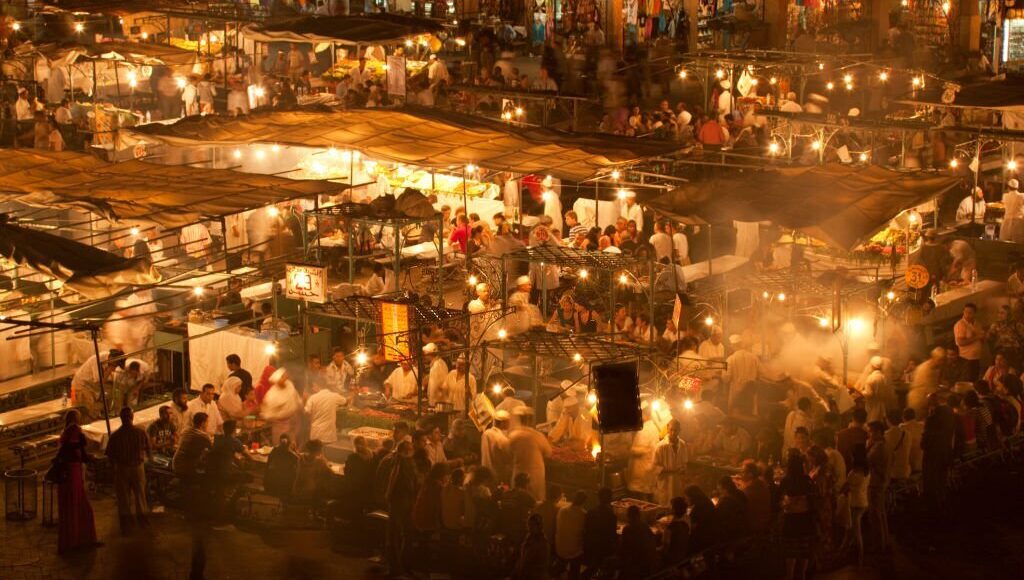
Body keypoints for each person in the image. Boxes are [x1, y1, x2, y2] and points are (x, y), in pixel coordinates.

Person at [55, 410, 99, 554]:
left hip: (70, 471)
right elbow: (74, 448)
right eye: (79, 417)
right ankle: (79, 539)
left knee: (73, 505)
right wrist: (82, 444)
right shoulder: (74, 430)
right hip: (73, 471)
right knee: (77, 504)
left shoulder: (66, 431)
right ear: (75, 418)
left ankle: (75, 539)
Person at [105, 407, 151, 534]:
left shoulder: (115, 436)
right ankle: (143, 521)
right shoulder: (141, 432)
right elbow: (149, 449)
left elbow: (109, 455)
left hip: (122, 469)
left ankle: (126, 525)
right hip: (138, 468)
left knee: (123, 498)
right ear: (132, 417)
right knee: (140, 495)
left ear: (121, 418)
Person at [779, 450, 816, 580]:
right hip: (805, 518)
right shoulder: (807, 480)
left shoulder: (786, 481)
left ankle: (790, 575)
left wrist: (787, 503)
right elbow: (813, 497)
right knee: (803, 548)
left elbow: (778, 499)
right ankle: (803, 574)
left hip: (791, 518)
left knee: (790, 550)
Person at [385, 440, 418, 577]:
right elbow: (394, 478)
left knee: (401, 534)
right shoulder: (400, 462)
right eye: (408, 449)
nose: (410, 451)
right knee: (396, 534)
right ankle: (396, 567)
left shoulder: (407, 462)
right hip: (399, 501)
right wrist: (388, 495)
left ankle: (400, 565)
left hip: (406, 501)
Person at [509, 408, 552, 501]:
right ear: (531, 420)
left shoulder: (513, 436)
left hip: (518, 474)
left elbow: (508, 454)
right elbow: (548, 453)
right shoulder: (537, 436)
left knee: (517, 501)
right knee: (535, 502)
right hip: (535, 476)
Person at [71, 348, 125, 421]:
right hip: (81, 385)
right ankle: (88, 424)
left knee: (114, 391)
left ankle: (113, 412)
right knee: (88, 408)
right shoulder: (97, 361)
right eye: (115, 365)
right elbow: (99, 382)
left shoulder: (109, 358)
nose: (115, 368)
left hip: (92, 385)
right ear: (112, 359)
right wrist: (109, 369)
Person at [841, 445, 870, 567]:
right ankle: (843, 550)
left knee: (856, 531)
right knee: (851, 529)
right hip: (863, 501)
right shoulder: (867, 470)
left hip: (855, 503)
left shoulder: (854, 472)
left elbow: (845, 487)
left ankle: (860, 558)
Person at [582, 487, 617, 579]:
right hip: (603, 550)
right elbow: (612, 536)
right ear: (610, 499)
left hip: (590, 547)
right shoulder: (611, 515)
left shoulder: (590, 512)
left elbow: (586, 529)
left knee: (592, 568)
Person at [261, 368, 303, 442]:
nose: (285, 379)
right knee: (281, 444)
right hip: (281, 425)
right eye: (282, 377)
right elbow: (267, 413)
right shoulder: (272, 394)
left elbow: (297, 399)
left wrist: (302, 404)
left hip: (293, 420)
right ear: (277, 380)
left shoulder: (289, 385)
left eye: (285, 376)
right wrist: (278, 415)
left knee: (292, 443)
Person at [627, 405, 660, 498]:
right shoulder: (654, 428)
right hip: (649, 467)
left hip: (641, 470)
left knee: (640, 497)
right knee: (647, 493)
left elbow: (640, 450)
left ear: (644, 414)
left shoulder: (644, 430)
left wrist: (630, 450)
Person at [653, 419, 688, 505]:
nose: (673, 432)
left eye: (675, 430)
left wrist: (682, 470)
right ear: (668, 429)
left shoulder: (683, 444)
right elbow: (655, 466)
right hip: (665, 482)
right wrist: (670, 471)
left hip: (678, 482)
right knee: (665, 505)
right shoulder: (660, 446)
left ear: (679, 430)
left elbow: (684, 462)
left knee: (677, 505)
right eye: (671, 429)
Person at [618, 504, 656, 579]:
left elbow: (623, 548)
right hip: (646, 564)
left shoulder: (627, 529)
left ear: (628, 516)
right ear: (639, 515)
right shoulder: (645, 526)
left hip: (634, 564)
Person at [555, 490, 587, 579]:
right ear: (584, 502)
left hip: (559, 548)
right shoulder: (583, 514)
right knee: (578, 557)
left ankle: (559, 574)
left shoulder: (562, 510)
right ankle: (574, 576)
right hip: (574, 552)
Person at [515, 513, 550, 580]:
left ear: (539, 526)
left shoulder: (541, 543)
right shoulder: (529, 537)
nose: (529, 527)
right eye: (529, 525)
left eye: (532, 525)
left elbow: (540, 566)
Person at [954, 303, 983, 382]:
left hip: (976, 358)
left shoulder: (978, 324)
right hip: (966, 359)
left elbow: (980, 338)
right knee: (967, 382)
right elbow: (960, 342)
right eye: (966, 312)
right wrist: (976, 337)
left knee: (974, 380)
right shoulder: (960, 325)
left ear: (974, 313)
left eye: (970, 313)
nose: (967, 314)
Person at [423, 343, 449, 407]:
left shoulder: (437, 365)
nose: (424, 356)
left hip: (438, 401)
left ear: (429, 354)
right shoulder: (437, 363)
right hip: (435, 400)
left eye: (425, 354)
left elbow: (435, 385)